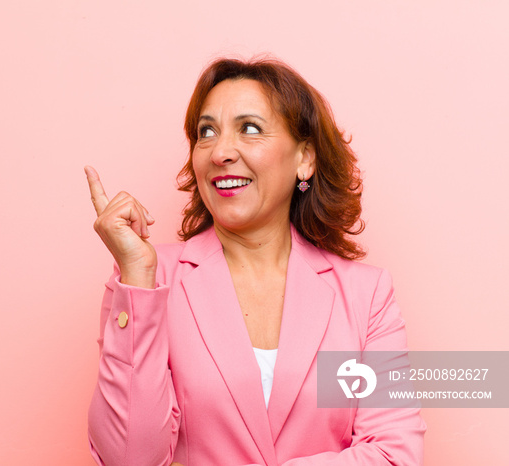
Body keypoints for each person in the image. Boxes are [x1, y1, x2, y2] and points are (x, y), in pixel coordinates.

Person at [84, 57, 425, 466]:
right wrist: (137, 280)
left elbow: (394, 454)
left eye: (250, 128)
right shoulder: (146, 282)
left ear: (305, 159)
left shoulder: (366, 295)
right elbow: (130, 459)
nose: (221, 152)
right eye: (206, 132)